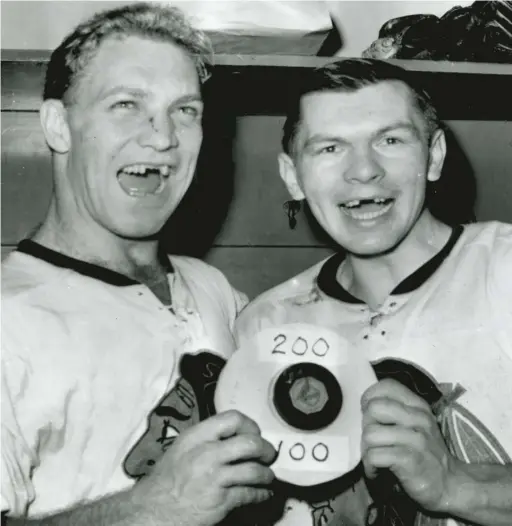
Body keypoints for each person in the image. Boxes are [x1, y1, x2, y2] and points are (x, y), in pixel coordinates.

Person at [1, 3, 276, 524]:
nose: (162, 137)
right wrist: (151, 508)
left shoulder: (212, 288)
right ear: (59, 125)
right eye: (126, 104)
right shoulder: (9, 318)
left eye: (185, 110)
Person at [235, 58, 512, 526]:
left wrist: (454, 483)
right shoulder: (265, 327)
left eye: (390, 140)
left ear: (435, 155)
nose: (363, 171)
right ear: (291, 175)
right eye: (329, 148)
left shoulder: (503, 270)